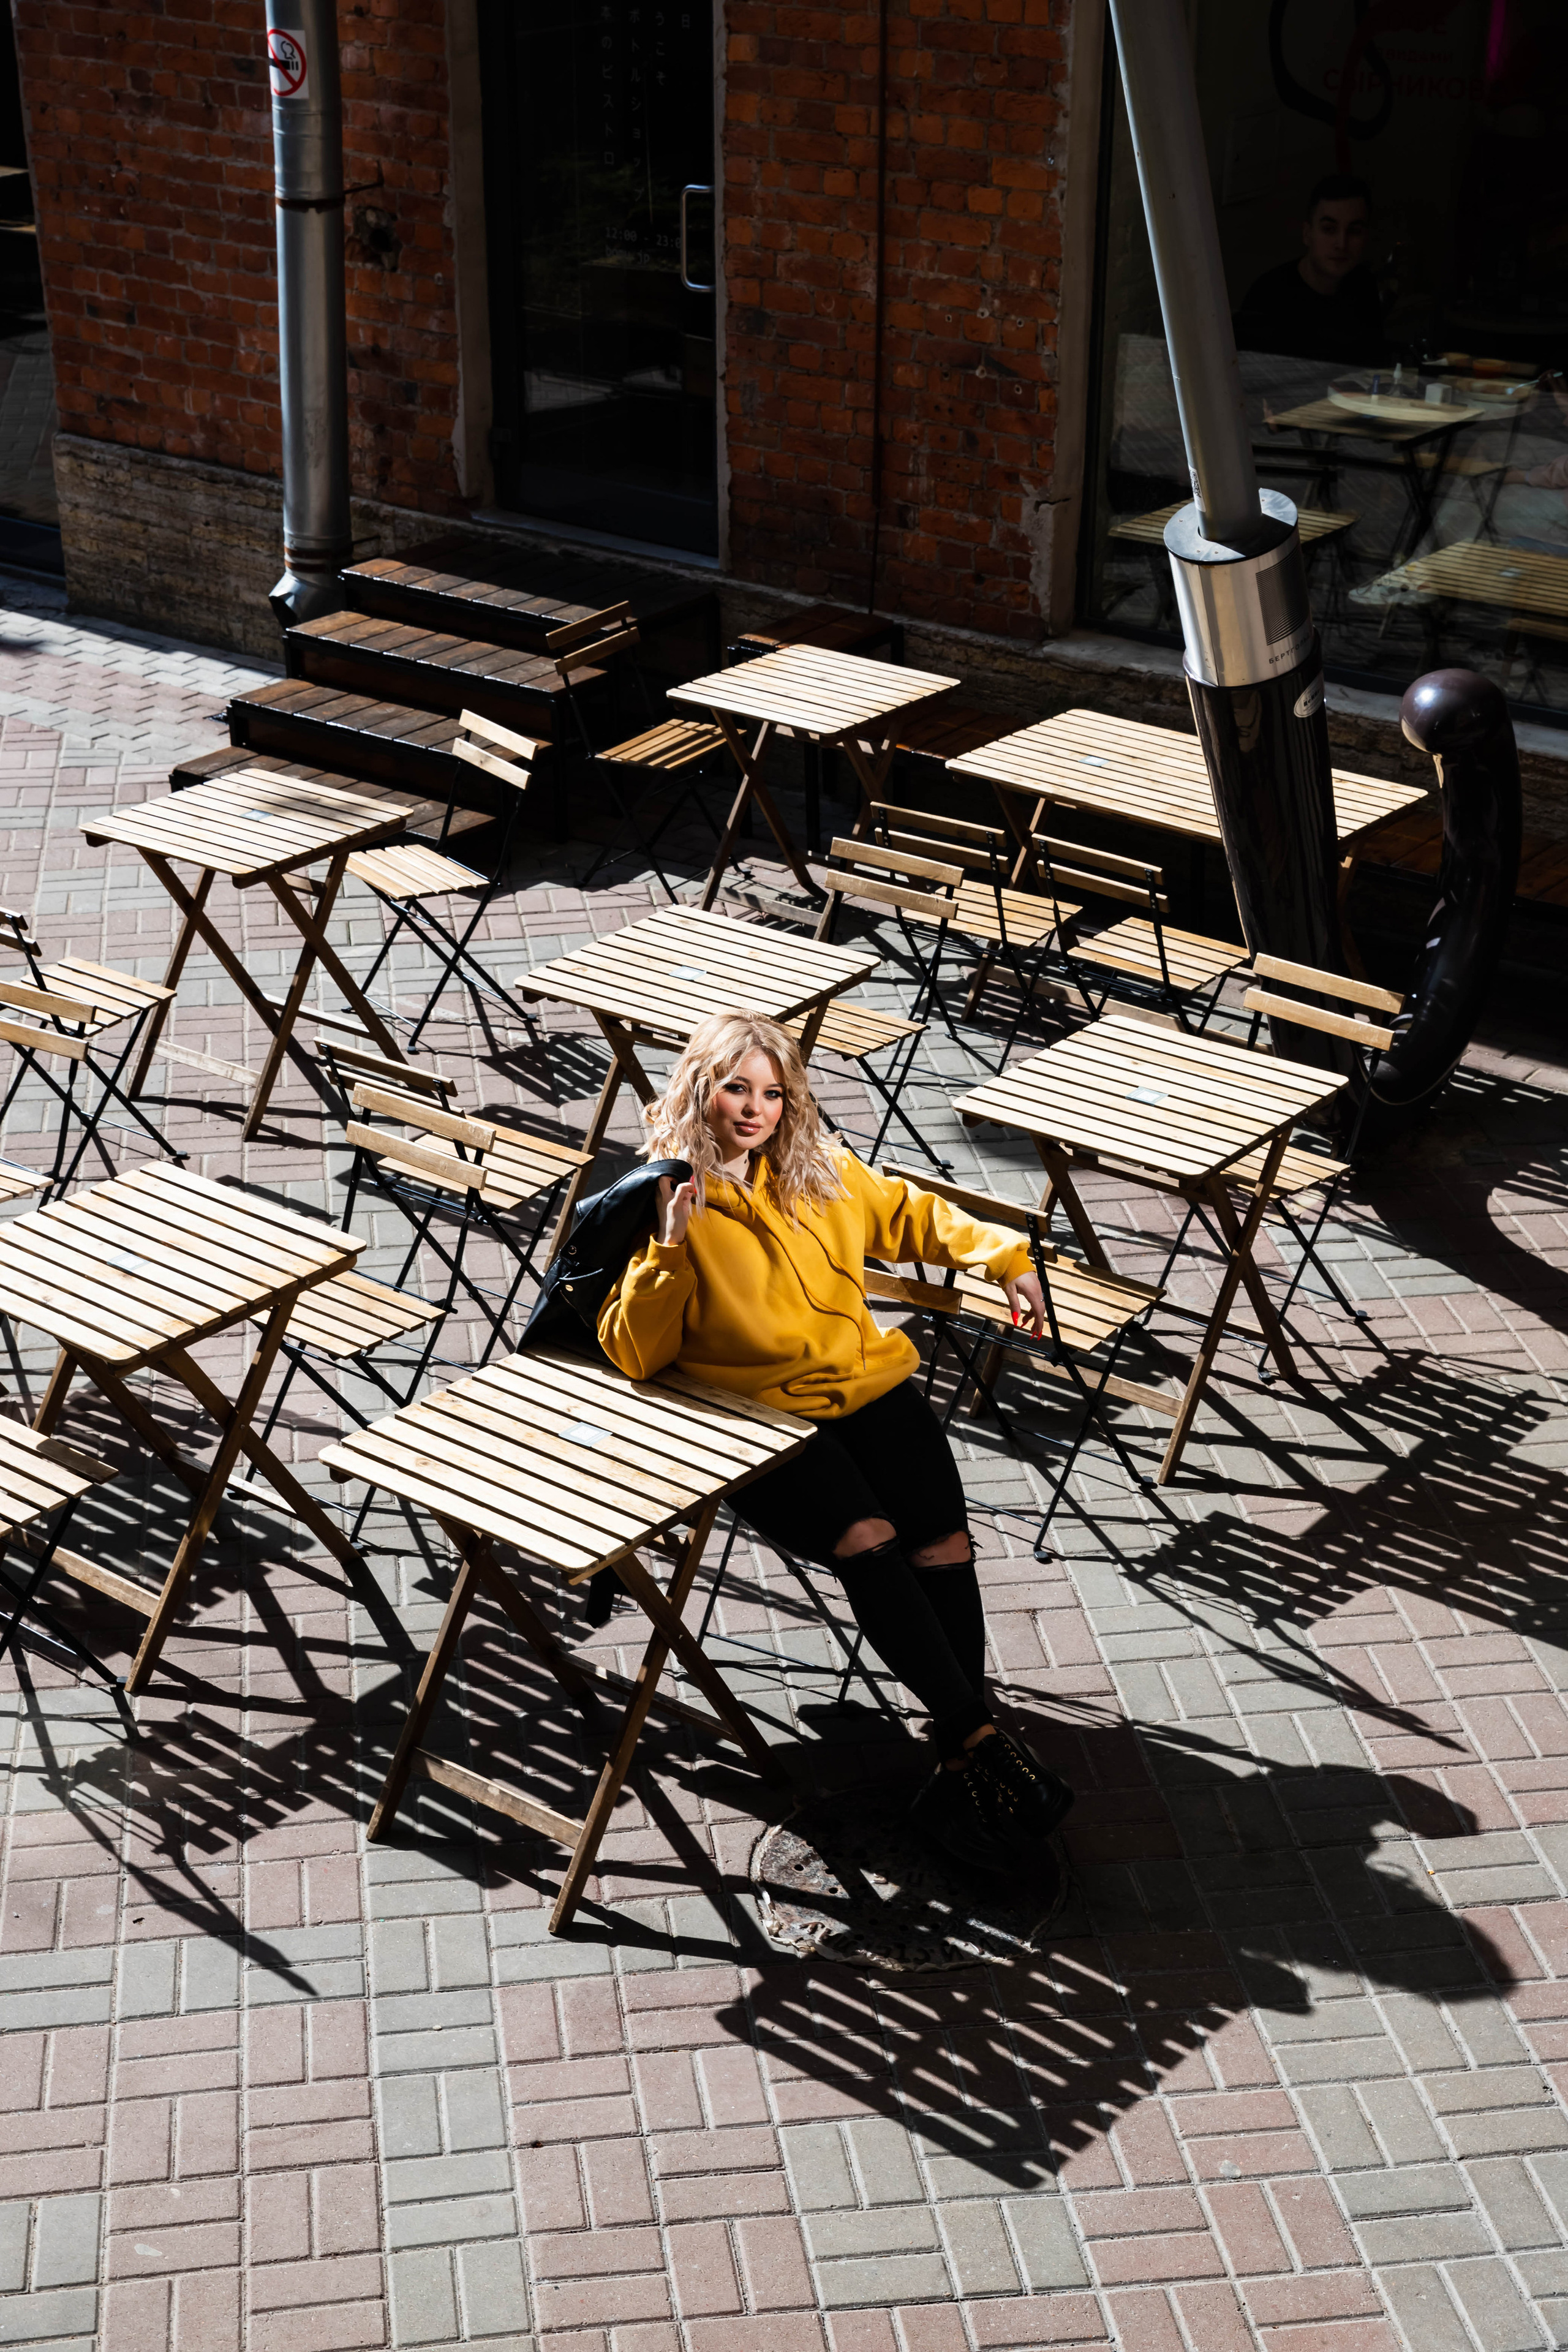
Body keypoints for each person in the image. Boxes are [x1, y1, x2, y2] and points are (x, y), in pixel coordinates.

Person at [597, 1009, 1075, 1880]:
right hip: (756, 1415)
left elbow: (917, 1215)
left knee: (944, 1543)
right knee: (868, 1538)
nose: (755, 1109)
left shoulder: (820, 1172)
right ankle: (974, 1734)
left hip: (863, 1385)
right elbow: (634, 1351)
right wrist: (667, 1252)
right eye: (737, 1087)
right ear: (699, 1087)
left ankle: (965, 1750)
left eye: (773, 1093)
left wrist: (1006, 1257)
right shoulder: (669, 1198)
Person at [1233, 174, 1389, 367]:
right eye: (1329, 229)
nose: (1342, 244)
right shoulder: (1269, 296)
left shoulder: (1363, 285)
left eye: (1354, 231)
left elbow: (1374, 366)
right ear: (1308, 234)